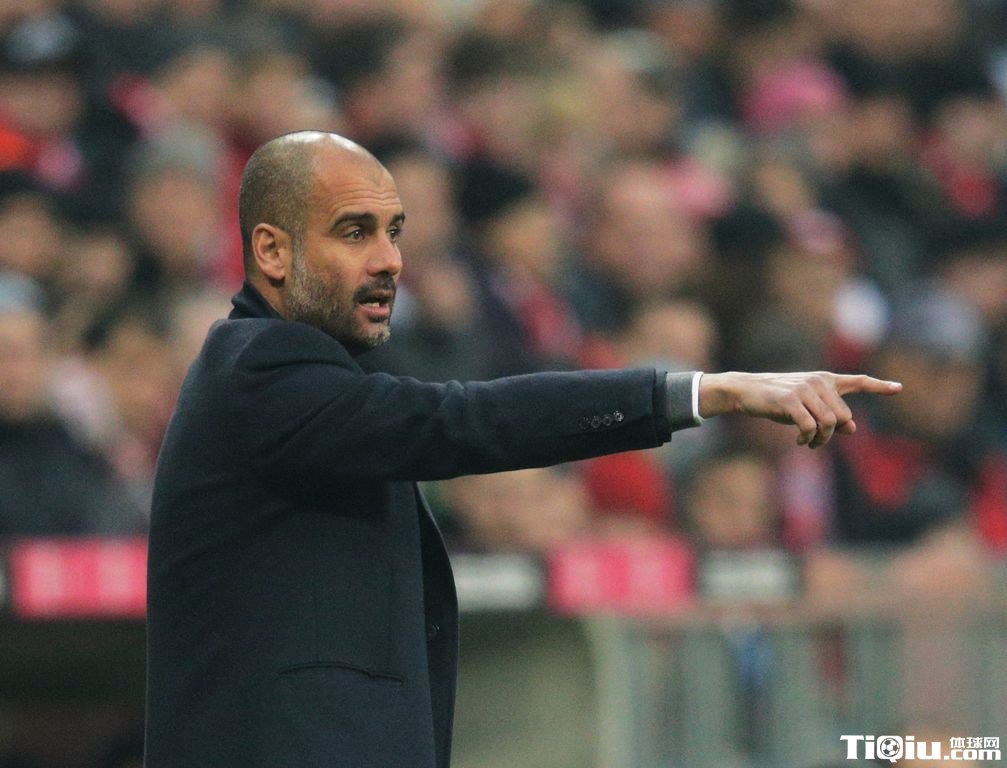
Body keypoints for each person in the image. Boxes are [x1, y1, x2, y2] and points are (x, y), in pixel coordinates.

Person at [144, 130, 902, 768]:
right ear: (272, 251)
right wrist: (706, 391)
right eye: (354, 232)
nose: (389, 260)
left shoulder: (305, 382)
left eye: (394, 231)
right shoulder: (262, 372)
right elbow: (463, 419)